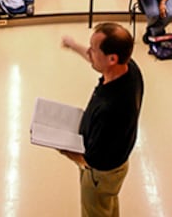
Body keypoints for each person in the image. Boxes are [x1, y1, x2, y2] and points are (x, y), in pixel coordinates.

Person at [60, 23, 143, 217]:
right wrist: (73, 46)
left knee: (95, 210)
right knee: (107, 204)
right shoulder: (129, 68)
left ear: (112, 58)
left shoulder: (111, 109)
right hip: (116, 166)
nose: (88, 51)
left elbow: (90, 161)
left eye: (93, 48)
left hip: (100, 174)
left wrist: (64, 148)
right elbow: (96, 60)